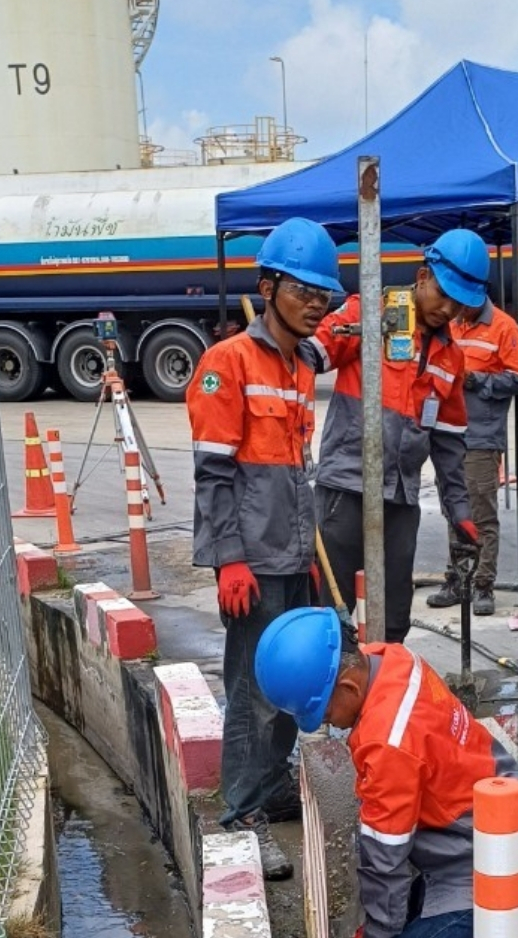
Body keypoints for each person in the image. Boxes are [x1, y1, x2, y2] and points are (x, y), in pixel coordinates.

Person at [254, 606, 518, 938]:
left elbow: (385, 860)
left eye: (323, 711)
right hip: (515, 833)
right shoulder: (391, 658)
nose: (325, 722)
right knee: (409, 924)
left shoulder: (388, 743)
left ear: (349, 688)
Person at [186, 217, 342, 880]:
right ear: (269, 286)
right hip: (250, 560)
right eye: (303, 290)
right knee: (251, 690)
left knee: (288, 682)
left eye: (323, 294)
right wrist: (229, 559)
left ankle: (273, 784)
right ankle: (241, 809)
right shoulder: (227, 363)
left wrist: (308, 551)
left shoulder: (301, 364)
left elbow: (292, 467)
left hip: (292, 553)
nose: (315, 303)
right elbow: (214, 475)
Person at [311, 229, 488, 643]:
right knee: (330, 612)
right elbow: (309, 355)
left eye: (459, 303)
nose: (448, 309)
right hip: (346, 489)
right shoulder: (369, 314)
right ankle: (333, 680)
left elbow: (448, 443)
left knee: (393, 617)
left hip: (401, 497)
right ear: (423, 276)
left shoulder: (450, 357)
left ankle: (384, 677)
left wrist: (459, 510)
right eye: (443, 295)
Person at [426, 297, 518, 616]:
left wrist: (475, 379)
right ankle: (458, 579)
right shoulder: (451, 323)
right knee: (454, 510)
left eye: (463, 304)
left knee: (481, 514)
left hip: (481, 436)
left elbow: (517, 379)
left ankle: (483, 583)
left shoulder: (503, 327)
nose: (456, 310)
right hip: (448, 433)